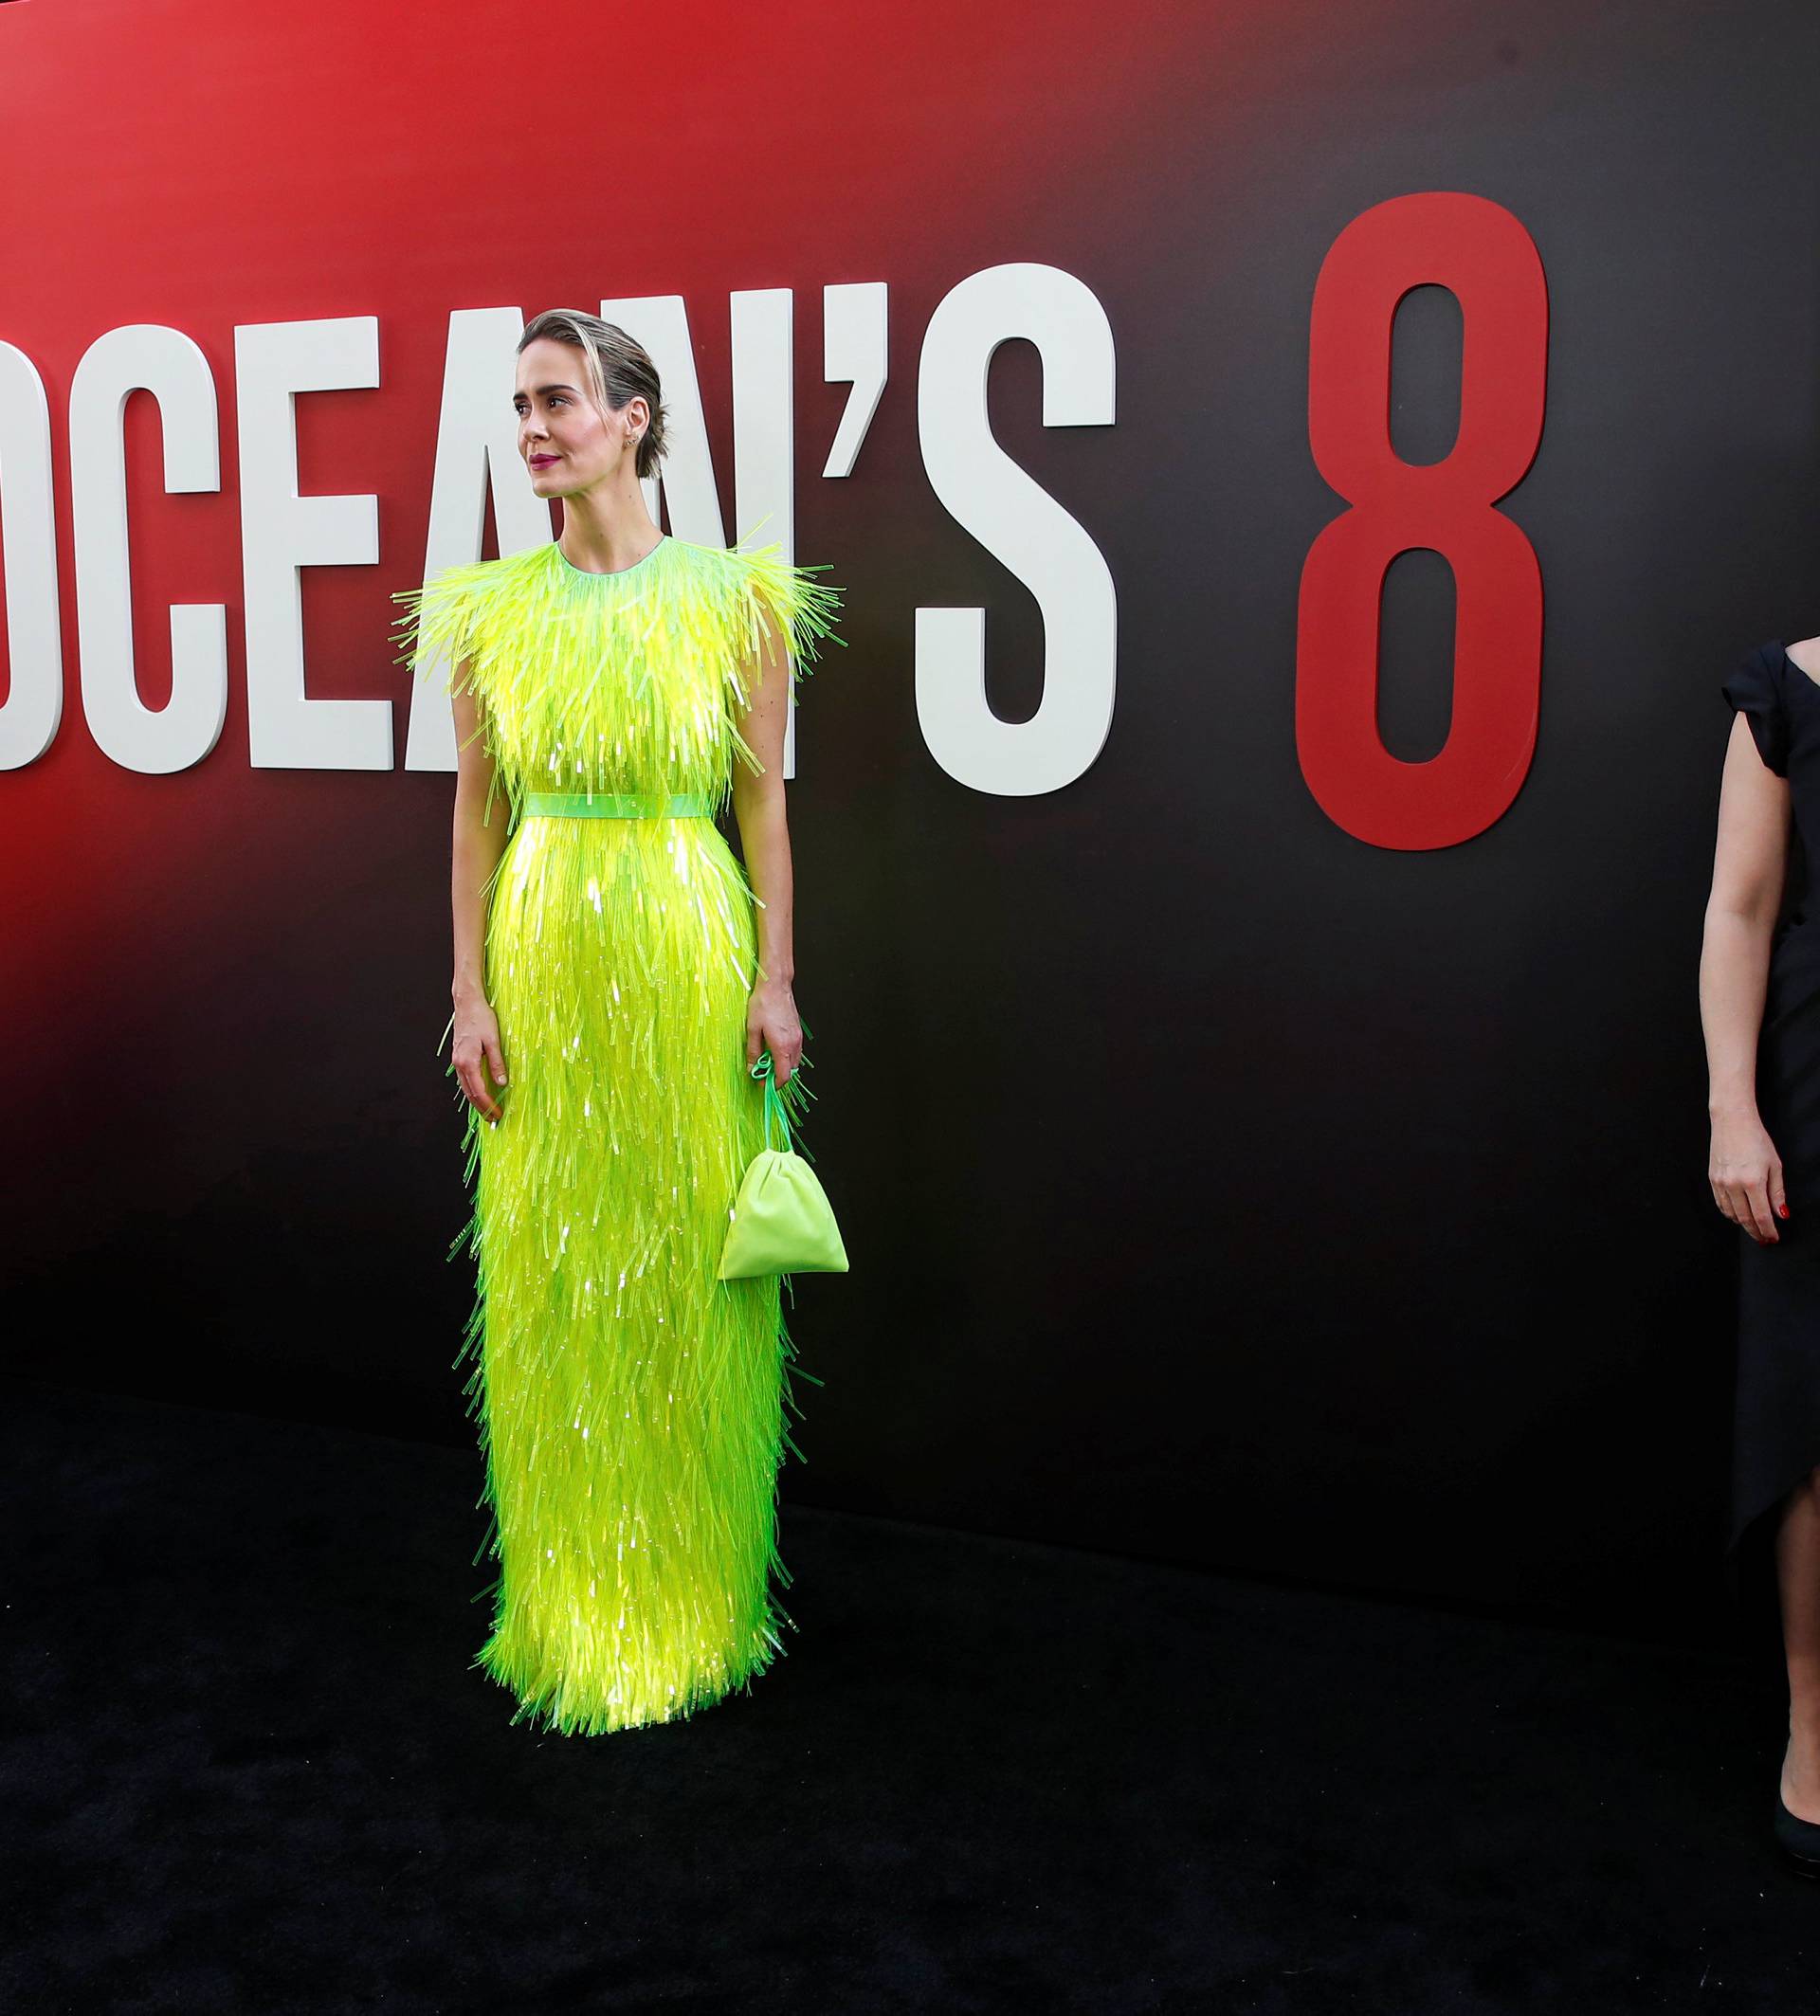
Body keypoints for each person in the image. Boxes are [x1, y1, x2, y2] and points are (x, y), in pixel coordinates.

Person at [391, 309, 845, 1735]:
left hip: (682, 944)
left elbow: (763, 799)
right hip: (543, 958)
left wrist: (775, 978)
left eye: (560, 400)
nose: (533, 428)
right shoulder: (486, 610)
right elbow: (473, 809)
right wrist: (466, 991)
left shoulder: (734, 599)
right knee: (552, 1283)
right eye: (520, 405)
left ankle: (701, 1604)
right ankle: (574, 1604)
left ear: (635, 416)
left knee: (691, 1272)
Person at [1703, 638, 1820, 1874]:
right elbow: (1738, 906)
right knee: (1816, 1423)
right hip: (1813, 1077)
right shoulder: (1788, 688)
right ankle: (1815, 1723)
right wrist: (1734, 1110)